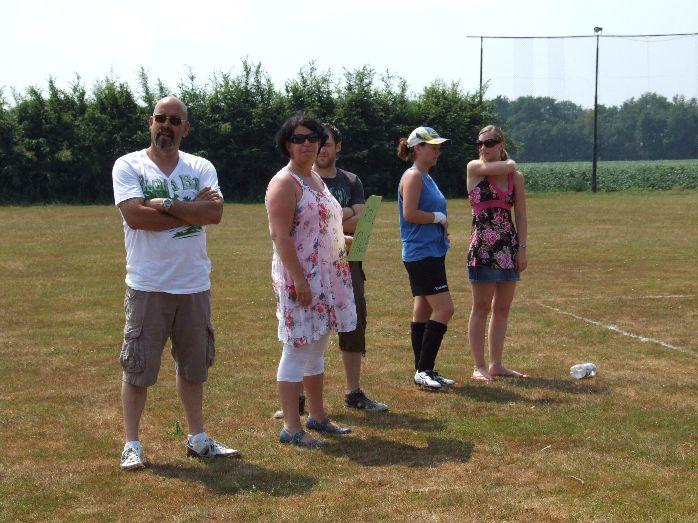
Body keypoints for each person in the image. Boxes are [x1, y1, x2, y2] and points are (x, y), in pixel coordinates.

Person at [112, 96, 239, 471]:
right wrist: (190, 211)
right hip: (148, 285)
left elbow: (214, 212)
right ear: (150, 122)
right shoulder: (128, 165)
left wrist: (165, 204)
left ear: (186, 128)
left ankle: (198, 439)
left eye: (174, 120)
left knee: (194, 368)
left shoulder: (200, 166)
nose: (166, 125)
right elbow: (136, 217)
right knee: (138, 368)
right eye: (160, 118)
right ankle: (132, 444)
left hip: (193, 285)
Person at [265, 113, 355, 448]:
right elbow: (280, 236)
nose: (307, 144)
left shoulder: (314, 178)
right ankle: (291, 427)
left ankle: (317, 416)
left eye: (313, 138)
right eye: (299, 139)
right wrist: (299, 280)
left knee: (317, 346)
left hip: (326, 276)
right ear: (287, 144)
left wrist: (341, 241)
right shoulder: (285, 182)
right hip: (300, 279)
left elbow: (319, 226)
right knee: (296, 347)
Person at [314, 123, 388, 411]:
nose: (321, 149)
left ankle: (353, 392)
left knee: (354, 324)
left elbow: (364, 222)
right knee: (311, 327)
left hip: (350, 264)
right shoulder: (304, 180)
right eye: (317, 143)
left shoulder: (352, 181)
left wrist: (330, 217)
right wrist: (345, 213)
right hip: (313, 266)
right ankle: (300, 398)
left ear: (338, 146)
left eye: (327, 143)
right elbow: (308, 224)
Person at [466, 125, 528, 381]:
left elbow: (521, 215)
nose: (483, 148)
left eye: (489, 143)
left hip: (507, 248)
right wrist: (510, 162)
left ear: (500, 144)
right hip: (483, 247)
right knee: (481, 307)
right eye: (479, 143)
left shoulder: (516, 177)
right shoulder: (475, 167)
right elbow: (509, 165)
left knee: (502, 308)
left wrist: (521, 249)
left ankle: (496, 364)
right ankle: (478, 366)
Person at [397, 126, 456, 391]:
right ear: (417, 148)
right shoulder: (413, 176)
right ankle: (423, 370)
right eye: (433, 147)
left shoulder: (426, 176)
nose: (437, 152)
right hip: (421, 254)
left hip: (431, 251)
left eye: (438, 147)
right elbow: (410, 213)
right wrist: (438, 218)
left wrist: (441, 230)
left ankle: (423, 369)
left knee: (423, 308)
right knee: (445, 309)